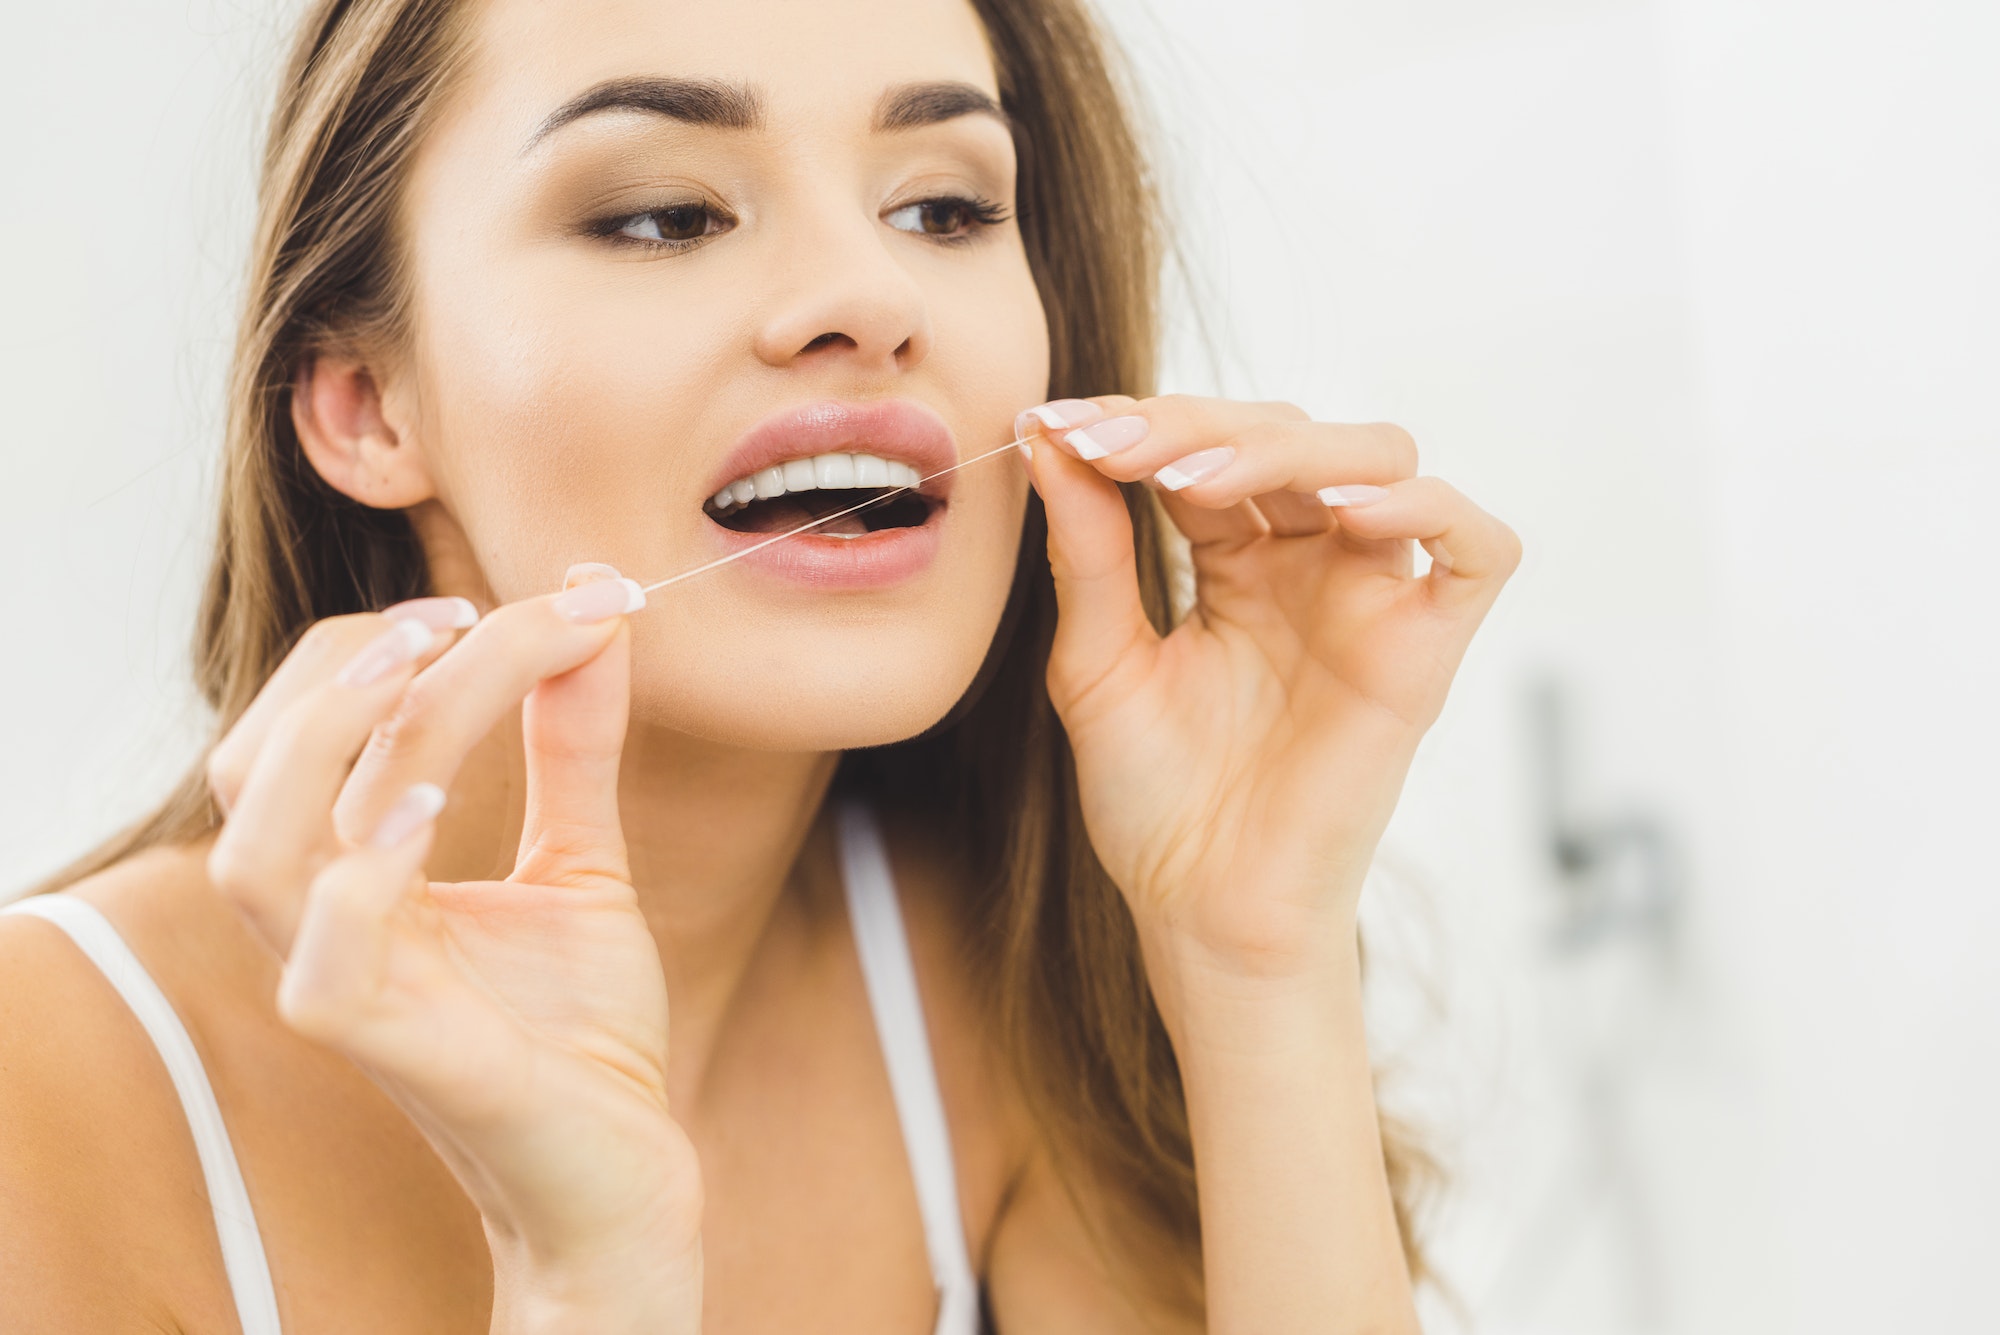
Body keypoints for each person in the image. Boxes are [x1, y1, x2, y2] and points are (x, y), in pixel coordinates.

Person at [0, 0, 1519, 1330]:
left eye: (940, 207)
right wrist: (588, 1287)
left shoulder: (973, 971)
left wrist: (1252, 954)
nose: (871, 296)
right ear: (362, 406)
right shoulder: (41, 1104)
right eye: (665, 215)